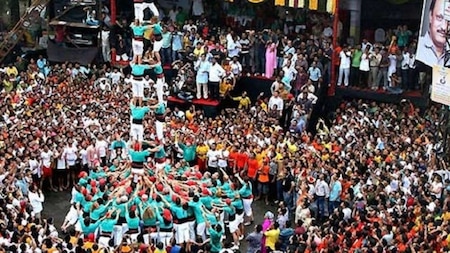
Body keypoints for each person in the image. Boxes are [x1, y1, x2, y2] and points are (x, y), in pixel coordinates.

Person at [417, 0, 448, 66]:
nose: (444, 27)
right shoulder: (418, 46)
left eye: (449, 21)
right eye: (439, 18)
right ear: (430, 16)